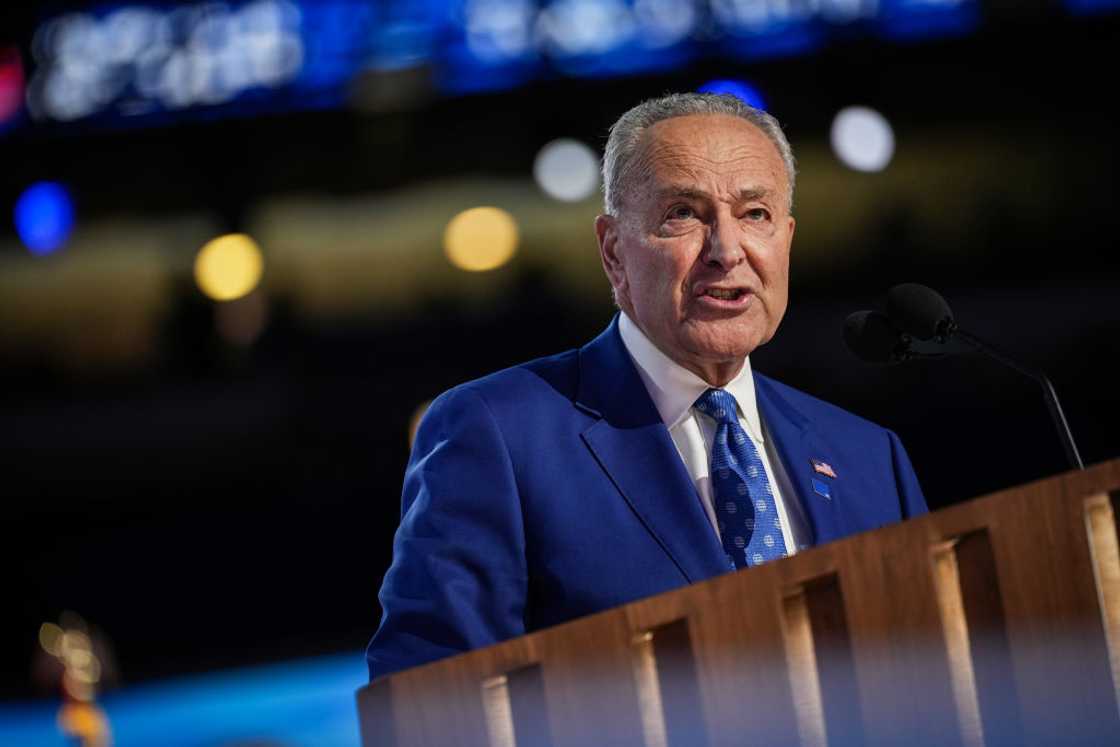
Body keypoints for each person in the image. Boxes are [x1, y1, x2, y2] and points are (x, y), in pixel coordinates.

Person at [366, 93, 927, 681]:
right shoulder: (496, 434)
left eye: (754, 214)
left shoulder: (869, 457)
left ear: (786, 238)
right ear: (613, 252)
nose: (727, 250)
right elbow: (428, 697)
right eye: (684, 213)